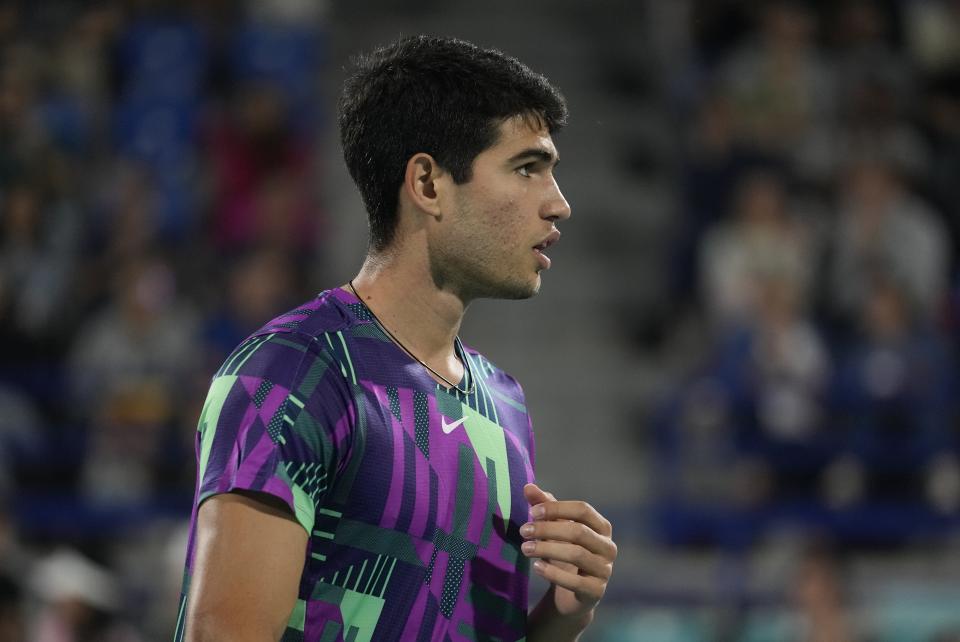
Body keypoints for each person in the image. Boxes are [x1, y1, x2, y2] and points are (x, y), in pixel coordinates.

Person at [175, 35, 617, 641]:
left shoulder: (505, 403)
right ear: (429, 184)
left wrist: (563, 616)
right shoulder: (292, 377)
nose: (559, 205)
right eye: (526, 168)